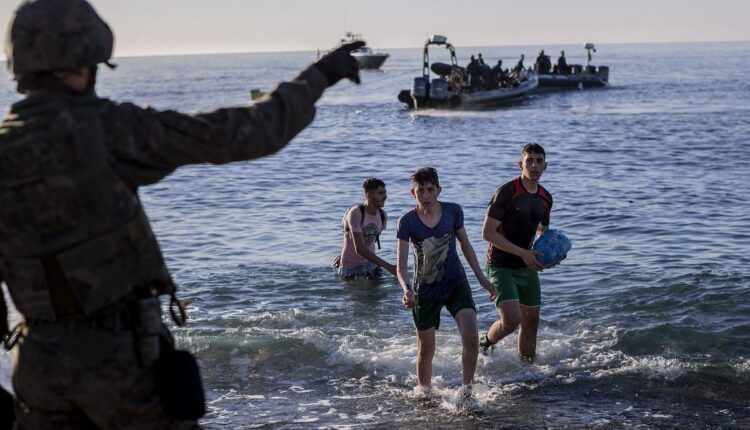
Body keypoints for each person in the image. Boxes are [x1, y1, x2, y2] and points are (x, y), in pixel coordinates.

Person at [0, 0, 364, 428]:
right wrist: (318, 76)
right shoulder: (106, 128)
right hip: (119, 362)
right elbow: (242, 133)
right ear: (85, 65)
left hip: (37, 365)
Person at [396, 167, 496, 405]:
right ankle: (425, 394)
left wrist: (482, 279)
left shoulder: (453, 211)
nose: (426, 195)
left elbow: (466, 245)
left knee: (471, 337)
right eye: (421, 191)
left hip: (455, 283)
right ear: (413, 193)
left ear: (439, 190)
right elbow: (400, 266)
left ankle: (467, 392)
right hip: (425, 291)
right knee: (426, 350)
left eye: (430, 190)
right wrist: (407, 290)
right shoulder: (407, 222)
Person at [479, 143, 553, 363]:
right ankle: (485, 343)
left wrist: (548, 256)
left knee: (531, 322)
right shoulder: (507, 192)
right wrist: (523, 253)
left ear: (545, 166)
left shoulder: (546, 198)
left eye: (539, 161)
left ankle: (528, 372)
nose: (534, 165)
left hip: (526, 265)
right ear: (520, 164)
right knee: (512, 320)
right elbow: (488, 233)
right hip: (500, 264)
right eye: (529, 160)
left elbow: (543, 233)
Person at [337, 178, 397, 278]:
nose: (385, 197)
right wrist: (389, 267)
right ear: (369, 195)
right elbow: (359, 249)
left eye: (385, 193)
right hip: (350, 268)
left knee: (380, 293)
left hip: (371, 265)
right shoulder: (356, 213)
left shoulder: (383, 215)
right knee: (357, 294)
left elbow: (369, 240)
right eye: (381, 193)